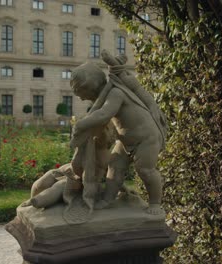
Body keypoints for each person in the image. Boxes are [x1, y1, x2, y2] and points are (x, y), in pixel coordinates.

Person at [70, 61, 166, 215]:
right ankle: (108, 198)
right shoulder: (105, 96)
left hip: (146, 139)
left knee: (145, 170)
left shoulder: (116, 93)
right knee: (114, 166)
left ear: (90, 86)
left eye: (81, 93)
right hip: (125, 140)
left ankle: (155, 203)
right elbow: (101, 121)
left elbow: (103, 115)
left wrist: (81, 124)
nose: (82, 99)